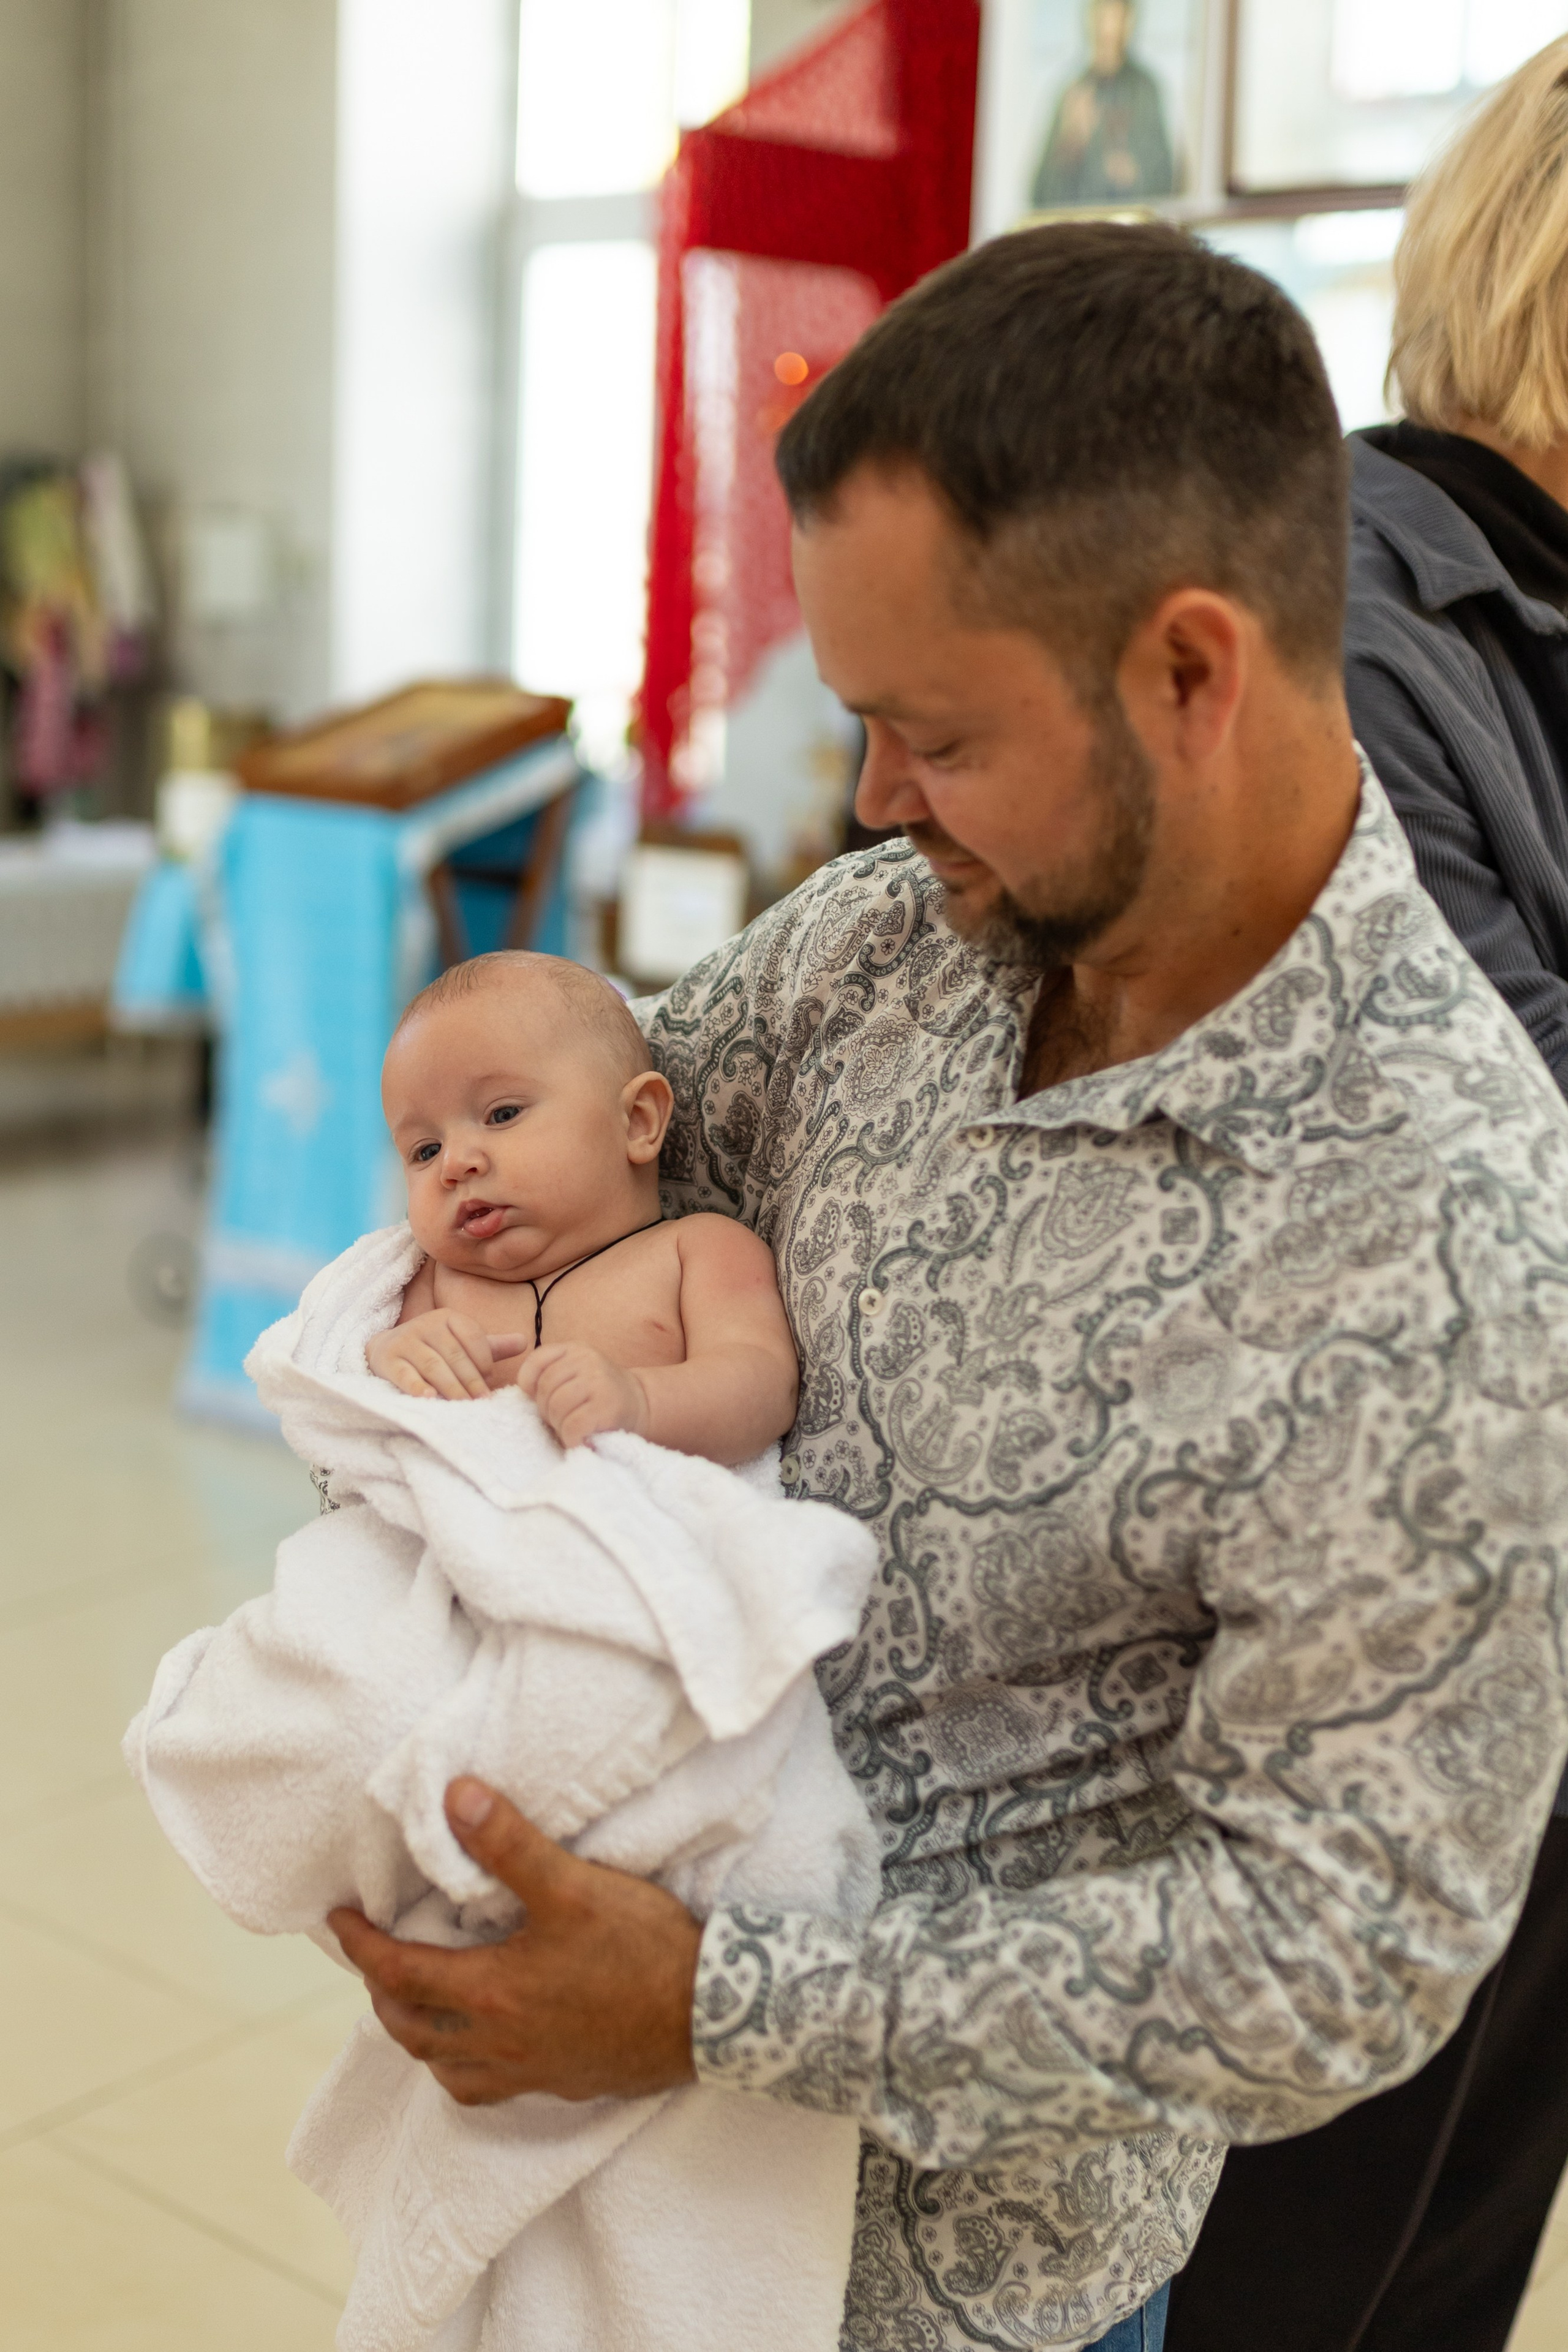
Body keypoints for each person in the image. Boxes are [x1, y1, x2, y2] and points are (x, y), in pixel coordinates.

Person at [328, 224, 1568, 2352]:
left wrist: (708, 2001)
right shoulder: (890, 950)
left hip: (976, 2279)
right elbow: (579, 1144)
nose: (880, 803)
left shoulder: (1443, 1247)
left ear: (1193, 675)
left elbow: (1338, 1953)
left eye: (938, 734)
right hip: (606, 2182)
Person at [1165, 41, 1568, 2352]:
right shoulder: (1335, 616)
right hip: (1356, 1665)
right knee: (1307, 2285)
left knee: (1443, 2268)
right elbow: (1497, 1168)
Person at [366, 948, 797, 1461]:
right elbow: (359, 1380)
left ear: (636, 1121)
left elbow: (765, 1388)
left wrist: (640, 1404)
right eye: (425, 1151)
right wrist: (391, 1353)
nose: (454, 1165)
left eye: (502, 1114)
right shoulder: (431, 1281)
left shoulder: (699, 1252)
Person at [1032, 0, 1174, 209]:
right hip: (1079, 228)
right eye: (1101, 19)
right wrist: (1072, 140)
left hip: (1128, 229)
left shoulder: (1145, 91)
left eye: (1114, 19)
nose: (1107, 30)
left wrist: (1131, 173)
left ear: (1128, 23)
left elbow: (1164, 180)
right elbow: (1040, 195)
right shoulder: (1075, 91)